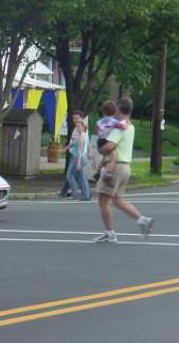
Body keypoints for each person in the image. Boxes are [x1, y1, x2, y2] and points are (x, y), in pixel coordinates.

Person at [94, 98, 154, 243]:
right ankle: (142, 220)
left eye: (116, 110)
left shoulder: (119, 128)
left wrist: (101, 150)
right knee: (117, 199)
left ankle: (110, 233)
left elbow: (108, 147)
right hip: (125, 167)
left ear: (120, 110)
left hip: (115, 166)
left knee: (103, 199)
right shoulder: (130, 126)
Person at [95, 100, 127, 184]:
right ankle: (109, 173)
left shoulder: (100, 121)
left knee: (104, 157)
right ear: (115, 111)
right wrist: (125, 124)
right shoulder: (113, 122)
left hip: (100, 141)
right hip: (107, 140)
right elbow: (122, 127)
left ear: (103, 111)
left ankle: (97, 171)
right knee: (114, 157)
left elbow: (97, 129)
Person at [63, 111, 91, 201]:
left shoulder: (81, 135)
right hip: (77, 156)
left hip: (78, 157)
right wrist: (65, 149)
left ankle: (76, 194)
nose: (75, 121)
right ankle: (85, 195)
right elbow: (72, 143)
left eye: (77, 118)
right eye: (74, 118)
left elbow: (79, 150)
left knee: (70, 175)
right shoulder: (79, 131)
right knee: (79, 176)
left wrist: (78, 162)